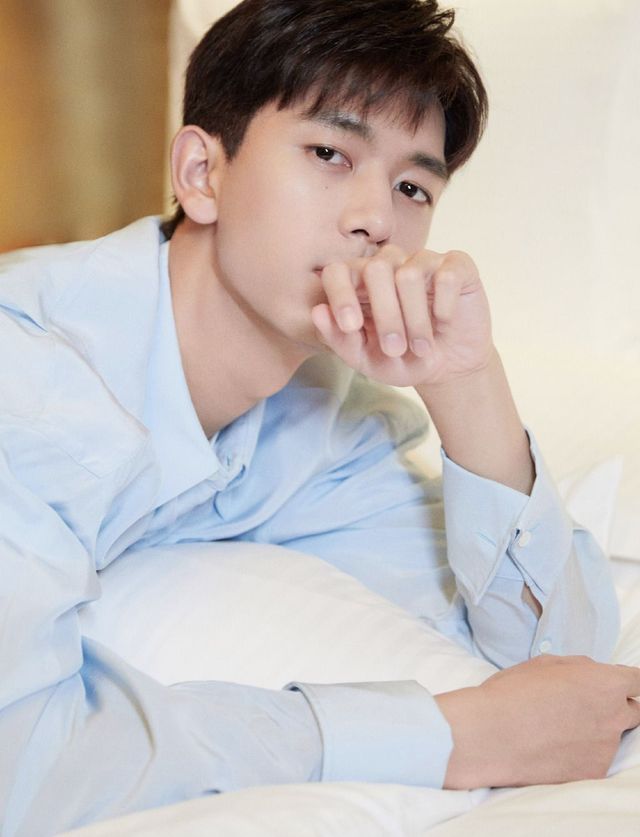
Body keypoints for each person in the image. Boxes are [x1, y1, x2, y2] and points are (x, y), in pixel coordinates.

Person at [1, 0, 639, 832]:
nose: (376, 219)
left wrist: (468, 382)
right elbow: (23, 760)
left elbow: (562, 666)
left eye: (412, 187)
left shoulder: (319, 425)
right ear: (202, 173)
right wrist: (450, 735)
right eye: (330, 153)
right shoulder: (33, 389)